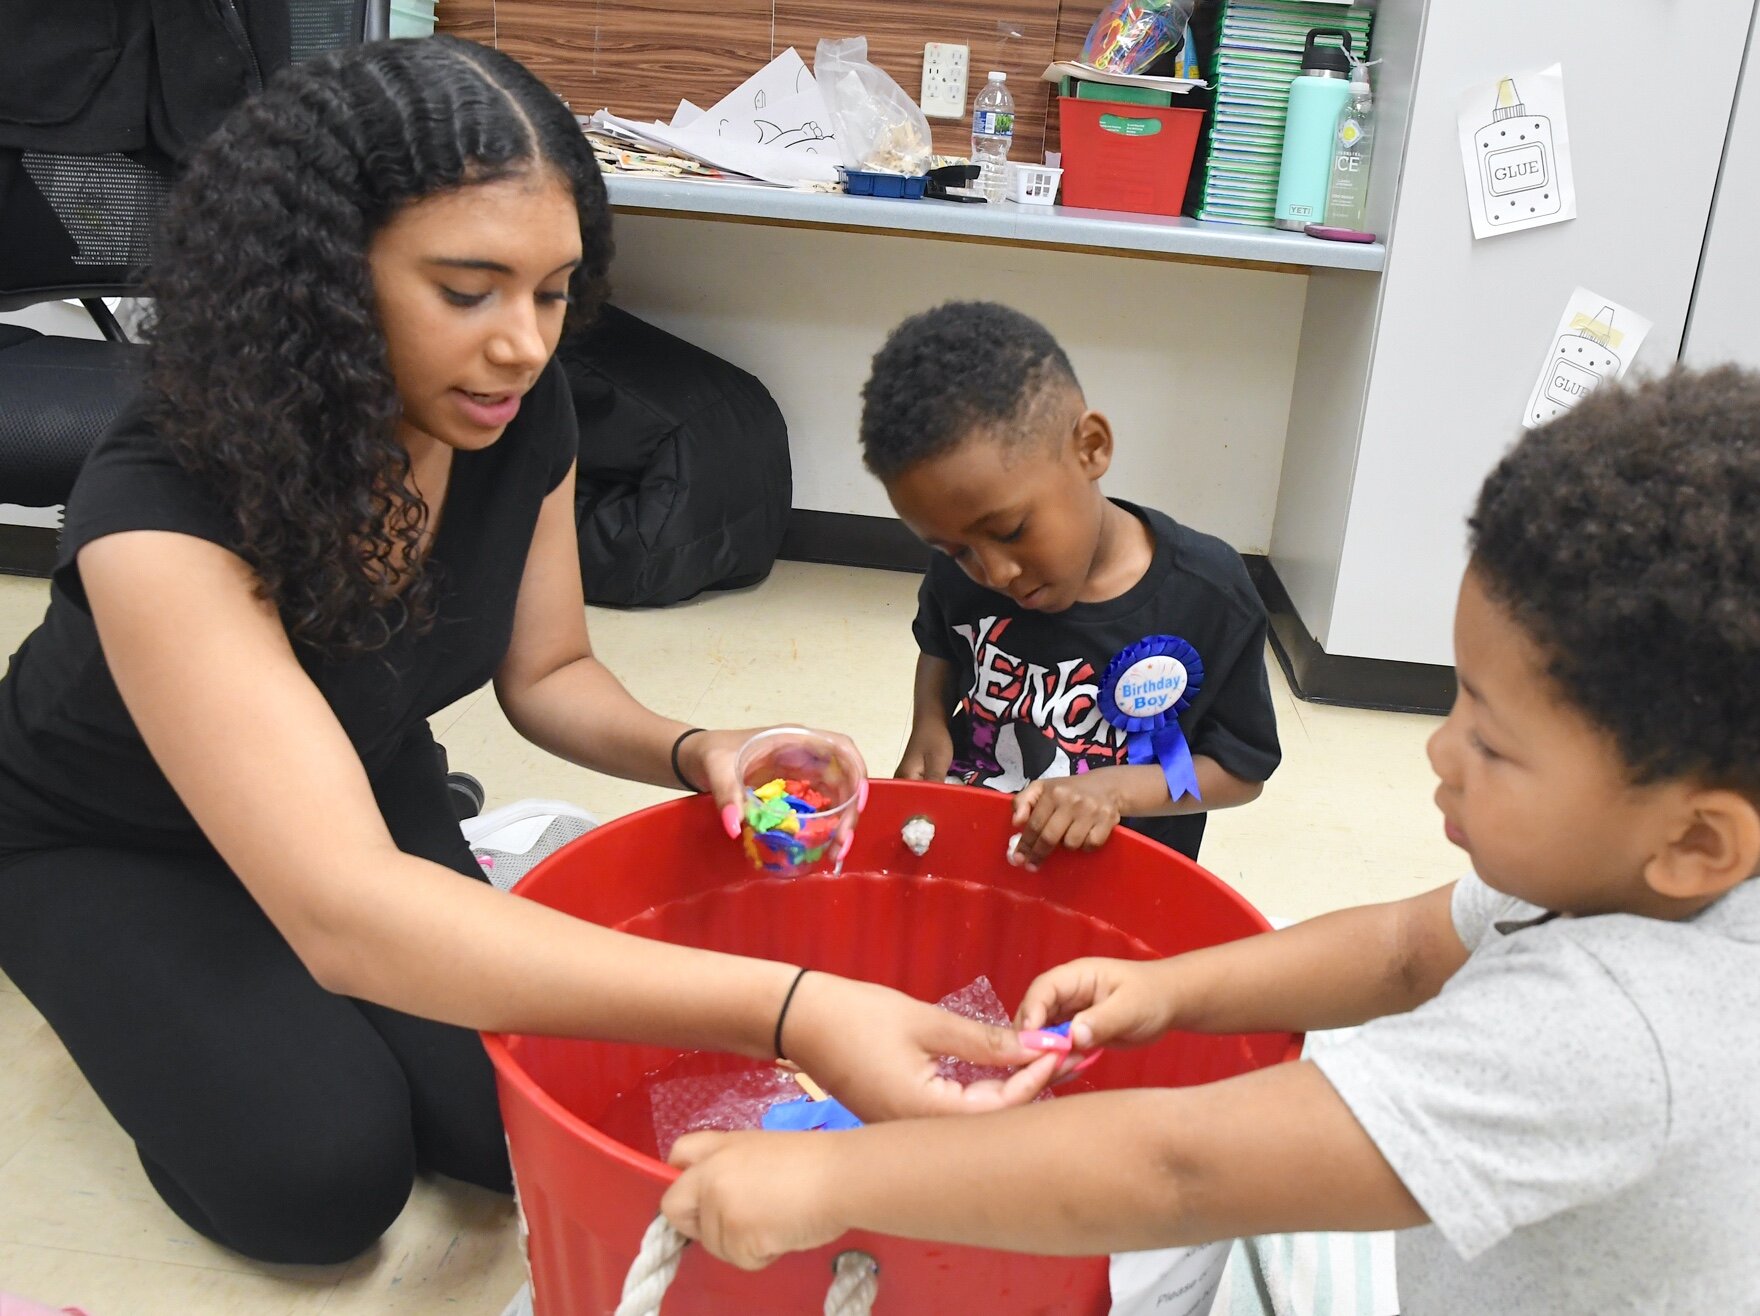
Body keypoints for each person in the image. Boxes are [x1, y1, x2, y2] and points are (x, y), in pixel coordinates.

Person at [0, 38, 1059, 1268]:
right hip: (111, 833)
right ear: (321, 280)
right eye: (468, 290)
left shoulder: (507, 414)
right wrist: (795, 1009)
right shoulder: (160, 501)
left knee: (505, 1124)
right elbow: (347, 910)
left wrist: (698, 745)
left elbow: (547, 674)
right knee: (323, 1177)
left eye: (553, 291)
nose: (524, 344)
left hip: (360, 777)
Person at [659, 367, 1760, 1313]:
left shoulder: (1605, 1032)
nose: (1434, 747)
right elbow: (1417, 946)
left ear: (1697, 838)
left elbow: (1179, 1172)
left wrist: (837, 1176)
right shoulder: (1685, 884)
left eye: (1491, 736)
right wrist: (1174, 987)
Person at [862, 302, 1282, 864]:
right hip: (976, 856)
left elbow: (1236, 771)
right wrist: (930, 724)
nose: (995, 573)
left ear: (1091, 448)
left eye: (1011, 529)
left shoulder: (1208, 595)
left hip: (1116, 881)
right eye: (955, 550)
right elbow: (940, 646)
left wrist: (1116, 790)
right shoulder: (959, 568)